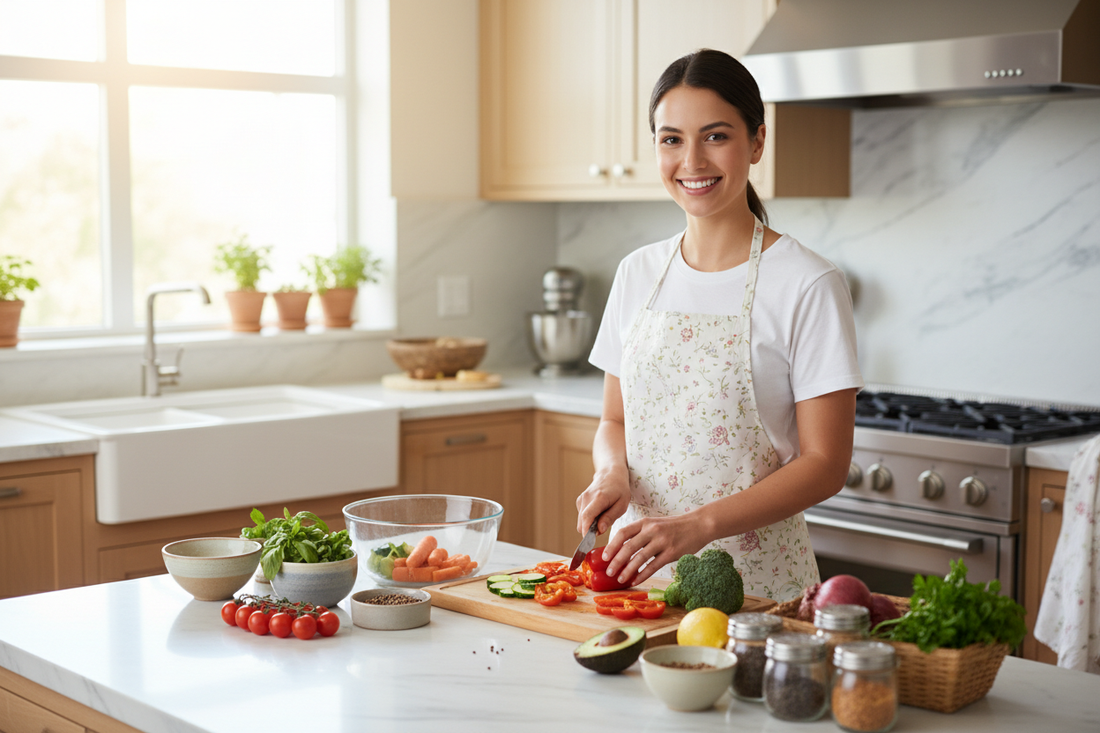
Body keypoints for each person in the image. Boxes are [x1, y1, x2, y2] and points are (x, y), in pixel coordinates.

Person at [576, 49, 864, 602]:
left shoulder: (807, 282)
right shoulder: (637, 273)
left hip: (759, 592)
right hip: (637, 578)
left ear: (756, 142)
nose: (692, 160)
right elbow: (614, 419)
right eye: (671, 139)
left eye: (715, 136)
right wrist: (611, 474)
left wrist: (699, 526)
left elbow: (826, 465)